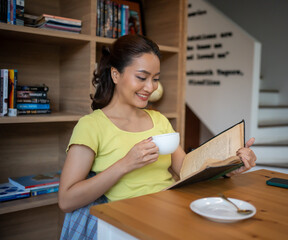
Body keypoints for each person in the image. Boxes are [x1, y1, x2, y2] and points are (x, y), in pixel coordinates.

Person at [58, 34, 257, 240]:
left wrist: (231, 165)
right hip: (131, 220)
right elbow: (66, 200)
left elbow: (187, 171)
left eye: (155, 79)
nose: (150, 87)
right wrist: (126, 164)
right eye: (142, 78)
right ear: (116, 75)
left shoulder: (159, 120)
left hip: (171, 211)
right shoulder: (91, 125)